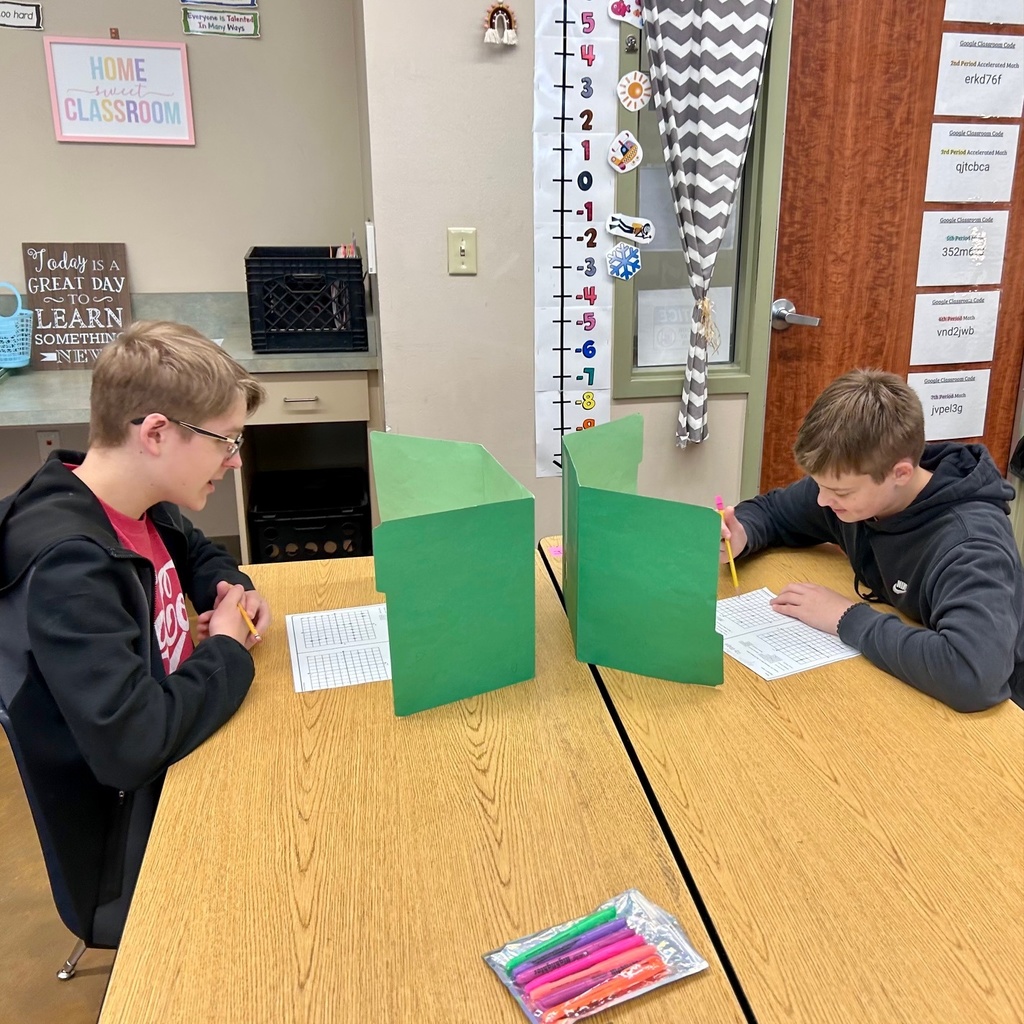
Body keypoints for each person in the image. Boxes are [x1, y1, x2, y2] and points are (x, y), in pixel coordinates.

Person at [0, 321, 270, 946]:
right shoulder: (70, 569)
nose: (235, 460)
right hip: (135, 836)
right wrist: (225, 649)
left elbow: (199, 553)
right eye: (226, 441)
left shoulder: (137, 502)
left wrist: (227, 589)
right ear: (156, 433)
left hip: (181, 751)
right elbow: (133, 742)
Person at [720, 369, 1024, 713]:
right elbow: (775, 511)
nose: (822, 500)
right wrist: (742, 534)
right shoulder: (857, 485)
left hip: (1003, 718)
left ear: (900, 473)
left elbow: (973, 675)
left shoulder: (971, 545)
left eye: (839, 492)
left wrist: (845, 618)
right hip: (906, 683)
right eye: (819, 485)